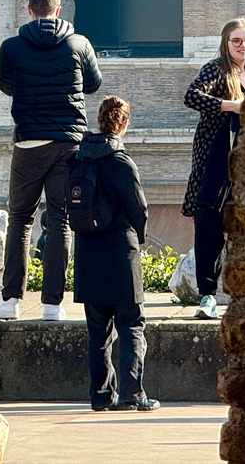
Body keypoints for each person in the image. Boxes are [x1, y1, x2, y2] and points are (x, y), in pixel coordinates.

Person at [0, 0, 102, 322]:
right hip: (69, 143)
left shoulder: (11, 47)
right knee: (60, 221)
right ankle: (52, 305)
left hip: (29, 142)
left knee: (20, 219)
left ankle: (10, 301)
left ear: (29, 10)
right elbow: (93, 83)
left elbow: (6, 85)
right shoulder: (79, 44)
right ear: (58, 9)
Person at [73, 96, 159, 412]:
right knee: (132, 325)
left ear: (100, 120)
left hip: (87, 253)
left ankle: (100, 396)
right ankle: (132, 394)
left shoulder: (80, 159)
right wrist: (141, 238)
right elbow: (140, 208)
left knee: (98, 332)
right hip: (120, 254)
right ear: (124, 123)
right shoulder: (121, 161)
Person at [182, 18, 245, 320]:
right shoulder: (216, 69)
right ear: (226, 44)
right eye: (237, 41)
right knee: (209, 227)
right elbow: (192, 96)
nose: (243, 46)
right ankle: (207, 296)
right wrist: (232, 105)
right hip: (215, 162)